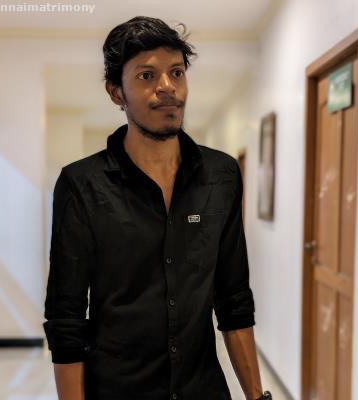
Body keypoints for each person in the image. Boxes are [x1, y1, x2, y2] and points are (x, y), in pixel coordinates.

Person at [43, 16, 272, 400]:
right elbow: (66, 318)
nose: (167, 86)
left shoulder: (221, 175)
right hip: (117, 390)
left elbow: (233, 299)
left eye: (176, 72)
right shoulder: (81, 185)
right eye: (147, 76)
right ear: (116, 93)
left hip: (202, 389)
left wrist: (256, 396)